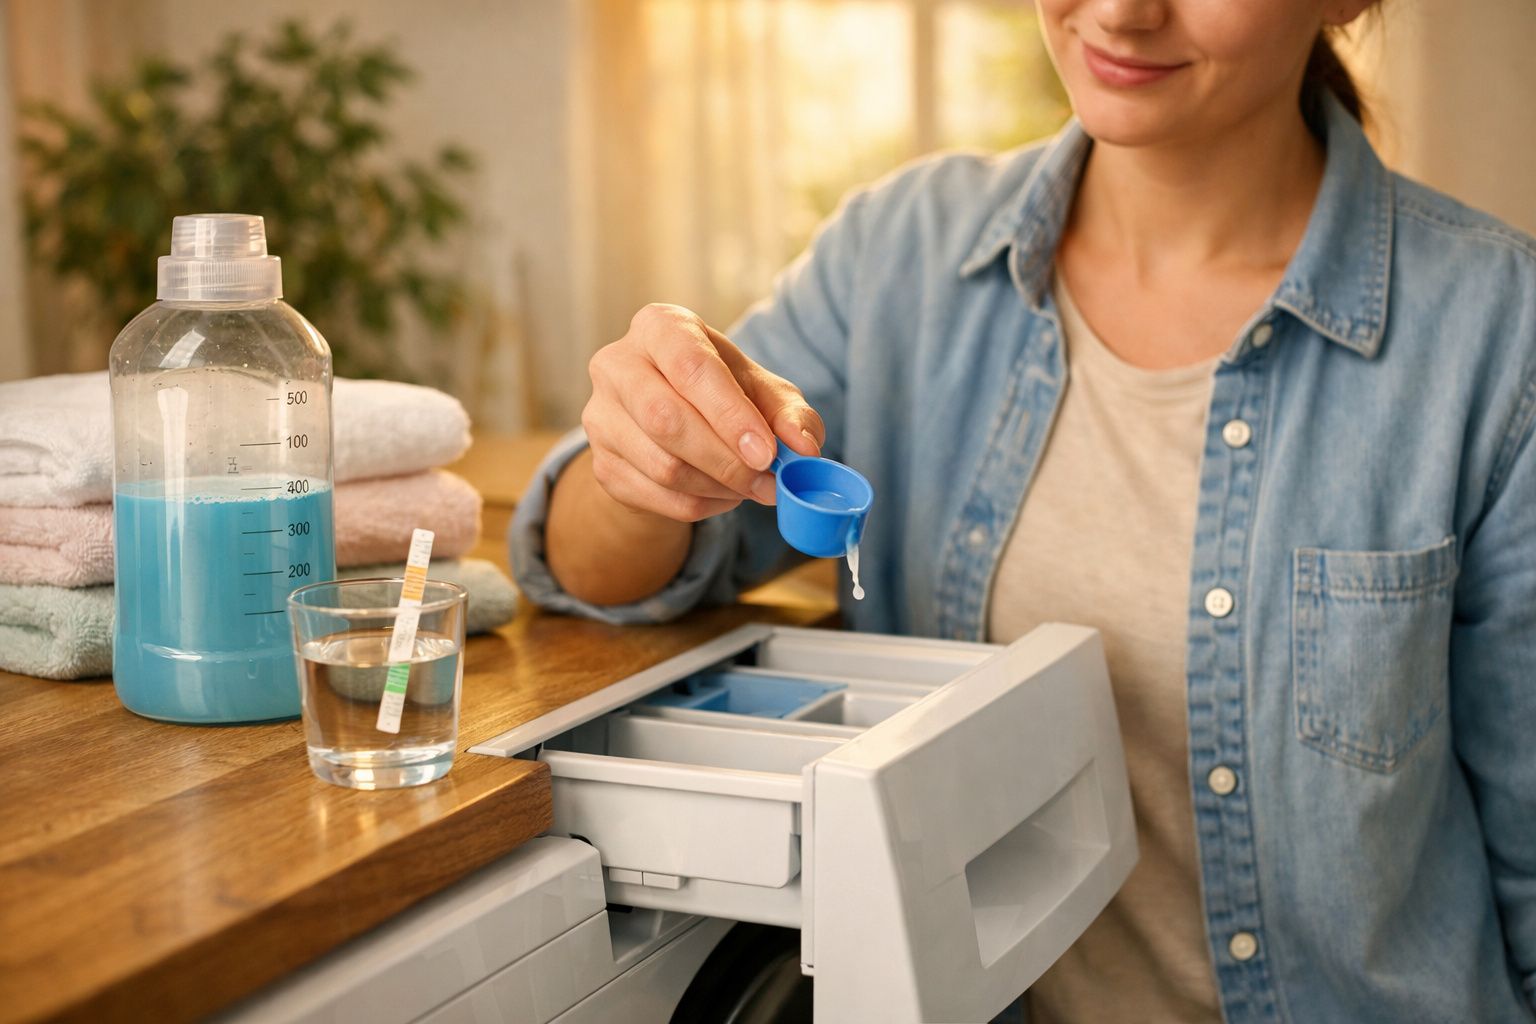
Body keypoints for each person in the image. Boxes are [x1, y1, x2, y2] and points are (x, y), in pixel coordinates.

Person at [511, 0, 1536, 1019]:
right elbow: (600, 566)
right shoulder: (898, 258)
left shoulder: (1495, 336)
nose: (1125, 12)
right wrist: (648, 450)